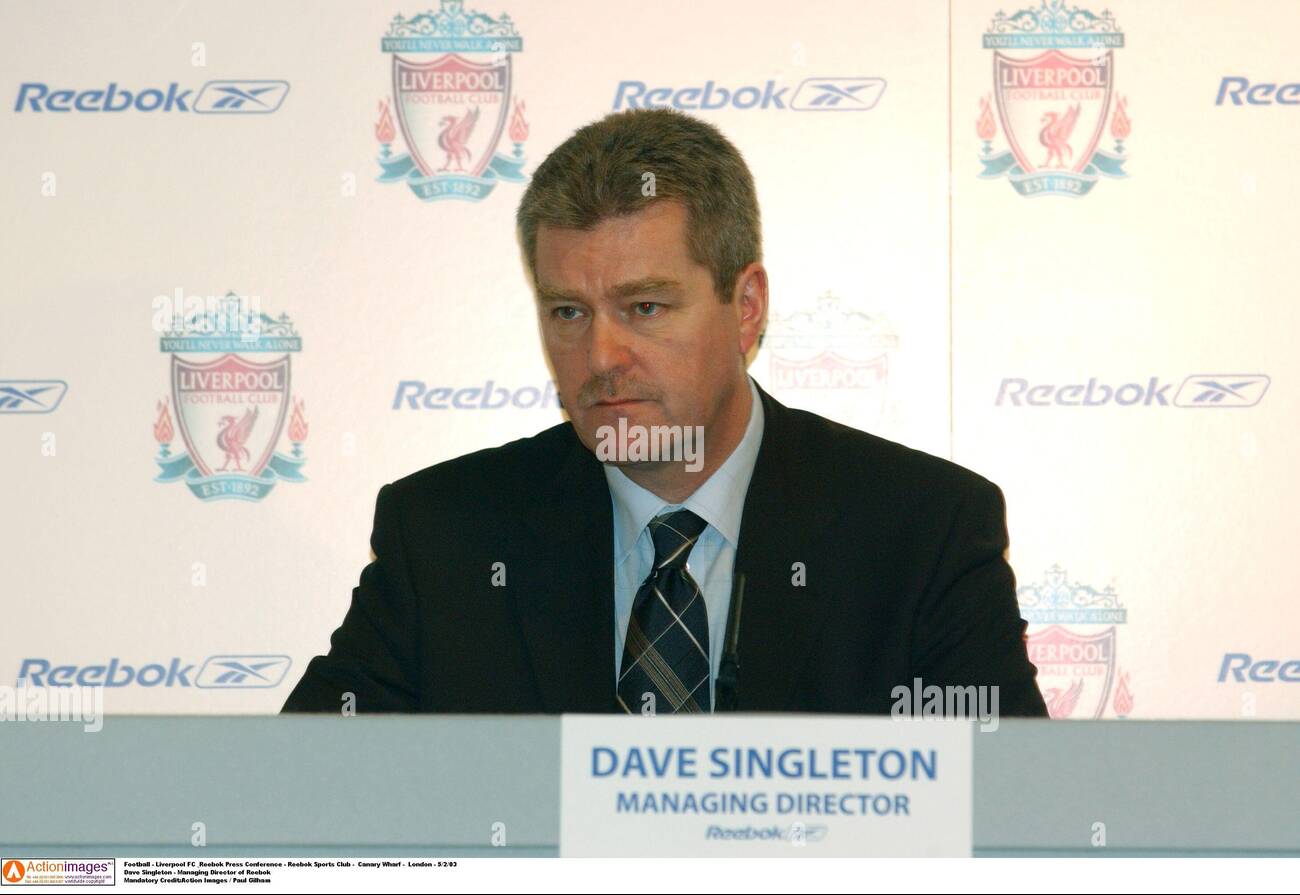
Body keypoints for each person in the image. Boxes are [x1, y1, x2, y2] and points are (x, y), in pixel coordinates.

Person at [282, 107, 1047, 717]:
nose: (603, 356)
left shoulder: (923, 532)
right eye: (568, 313)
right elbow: (300, 795)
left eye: (643, 306)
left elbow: (1008, 825)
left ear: (746, 309)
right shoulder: (446, 536)